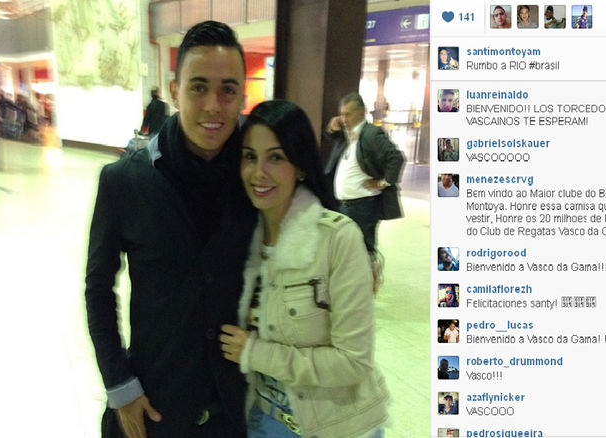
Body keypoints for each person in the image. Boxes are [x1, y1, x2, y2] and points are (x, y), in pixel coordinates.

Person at [85, 20, 257, 438]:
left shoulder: (256, 181)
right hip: (155, 408)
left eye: (228, 90)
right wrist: (120, 386)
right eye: (198, 87)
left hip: (237, 411)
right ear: (175, 89)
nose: (214, 105)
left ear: (242, 96)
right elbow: (98, 288)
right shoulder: (125, 181)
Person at [219, 100, 389, 438]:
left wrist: (256, 353)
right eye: (250, 156)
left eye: (276, 158)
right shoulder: (239, 241)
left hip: (335, 427)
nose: (259, 172)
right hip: (263, 419)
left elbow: (353, 362)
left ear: (299, 166)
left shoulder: (336, 238)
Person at [323, 92, 405, 288]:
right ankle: (352, 287)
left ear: (362, 112)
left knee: (363, 252)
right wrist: (332, 128)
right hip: (345, 205)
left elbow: (396, 158)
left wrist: (383, 182)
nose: (344, 119)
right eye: (342, 114)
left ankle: (367, 288)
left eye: (348, 114)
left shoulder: (371, 134)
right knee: (345, 251)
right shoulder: (349, 133)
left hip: (363, 206)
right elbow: (332, 139)